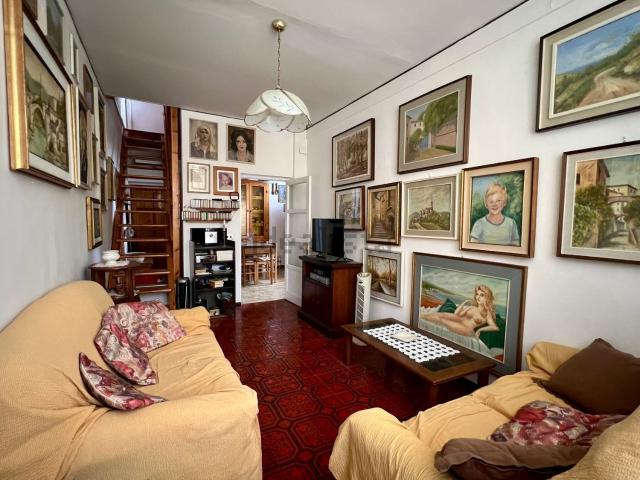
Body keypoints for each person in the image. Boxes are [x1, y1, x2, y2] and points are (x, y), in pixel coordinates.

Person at [424, 285, 499, 338]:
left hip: (466, 328)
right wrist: (464, 302)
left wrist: (479, 330)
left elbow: (494, 327)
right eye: (477, 294)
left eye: (482, 295)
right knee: (439, 315)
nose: (478, 297)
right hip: (458, 320)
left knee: (441, 320)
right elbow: (456, 314)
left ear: (487, 298)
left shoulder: (487, 313)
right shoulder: (472, 307)